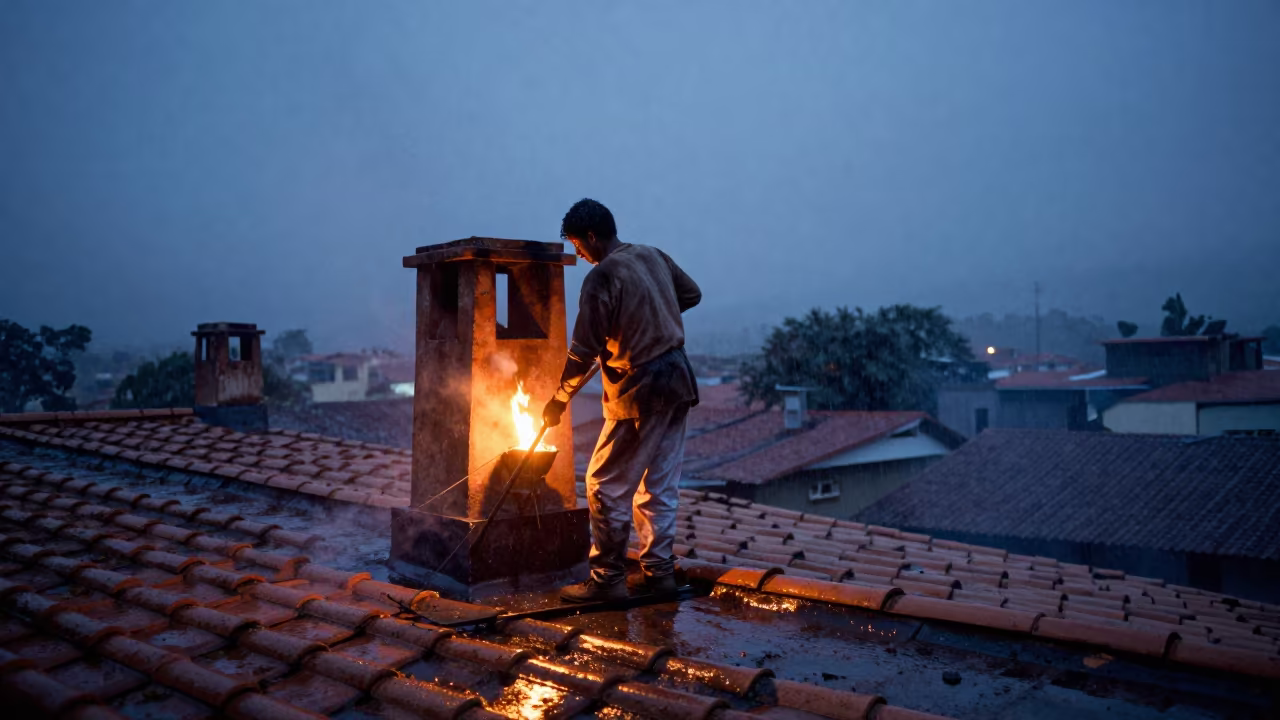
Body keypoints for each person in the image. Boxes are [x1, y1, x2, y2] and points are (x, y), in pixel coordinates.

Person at [542, 198, 701, 603]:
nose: (579, 254)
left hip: (640, 390)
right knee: (659, 485)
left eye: (578, 245)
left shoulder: (602, 277)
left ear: (592, 236)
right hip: (678, 382)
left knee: (604, 484)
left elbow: (581, 352)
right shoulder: (653, 256)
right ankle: (659, 574)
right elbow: (691, 294)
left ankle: (607, 579)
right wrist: (647, 312)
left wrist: (559, 399)